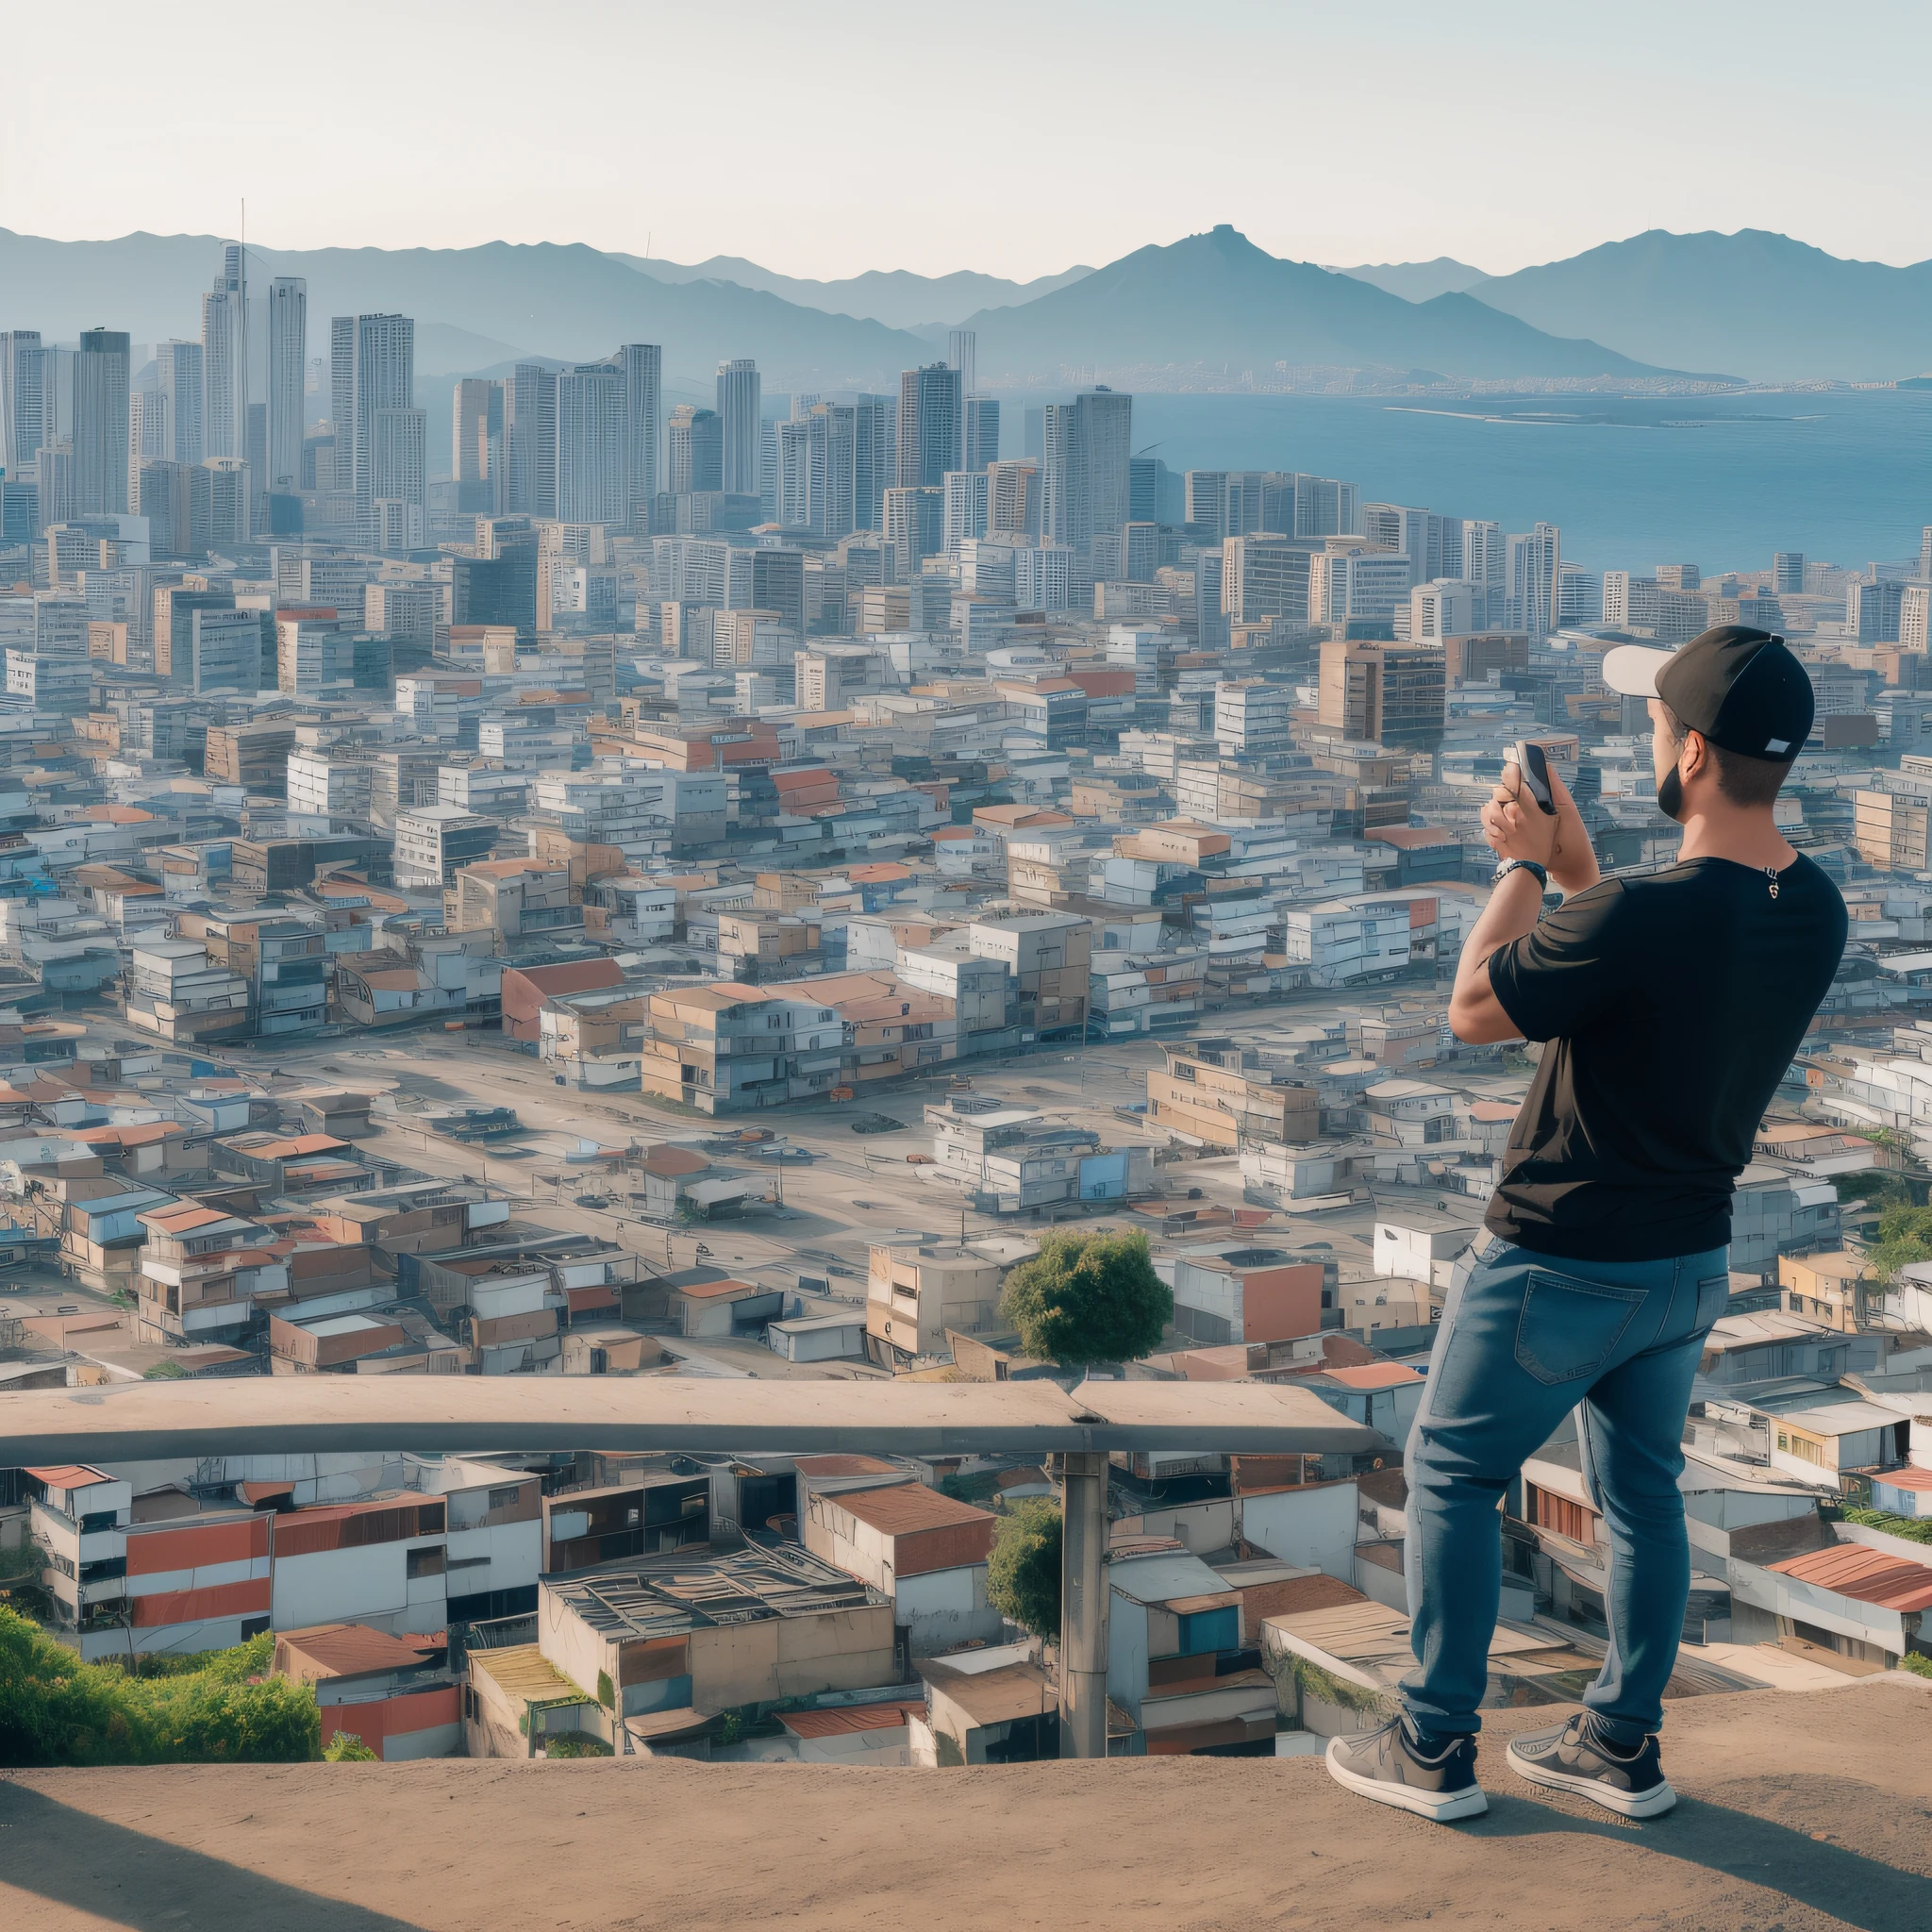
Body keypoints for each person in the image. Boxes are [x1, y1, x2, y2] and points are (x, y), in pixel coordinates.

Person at [1324, 626, 1846, 1824]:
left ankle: (1432, 1744)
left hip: (1557, 1255)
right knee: (1641, 1496)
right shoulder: (1810, 907)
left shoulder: (1633, 912)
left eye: (1656, 724)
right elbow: (1642, 957)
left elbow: (1473, 1007)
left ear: (1695, 750)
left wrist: (1515, 861)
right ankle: (1618, 1742)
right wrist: (1578, 871)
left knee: (1451, 1472)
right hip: (1686, 1264)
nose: (1647, 739)